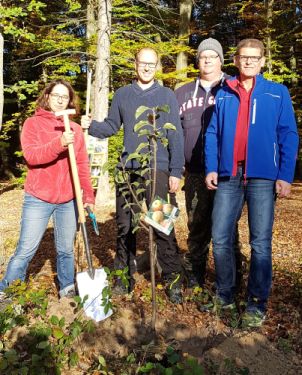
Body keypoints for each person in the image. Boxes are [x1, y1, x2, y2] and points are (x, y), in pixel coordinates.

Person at [205, 39, 298, 327]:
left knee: (260, 243)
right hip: (229, 175)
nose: (248, 62)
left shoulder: (276, 93)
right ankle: (225, 294)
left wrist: (284, 175)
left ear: (262, 62)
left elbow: (288, 134)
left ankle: (256, 304)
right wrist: (211, 167)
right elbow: (212, 133)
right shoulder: (223, 93)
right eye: (244, 57)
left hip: (262, 177)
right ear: (235, 60)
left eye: (254, 57)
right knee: (220, 238)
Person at [81, 47, 185, 303]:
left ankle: (173, 280)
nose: (147, 67)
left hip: (158, 169)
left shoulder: (167, 95)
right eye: (143, 63)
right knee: (125, 226)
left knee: (162, 225)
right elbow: (112, 126)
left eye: (152, 64)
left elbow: (176, 135)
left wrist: (175, 170)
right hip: (128, 170)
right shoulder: (123, 94)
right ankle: (123, 279)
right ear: (135, 64)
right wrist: (91, 125)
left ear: (157, 66)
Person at [0, 79, 95, 303]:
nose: (60, 100)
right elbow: (32, 156)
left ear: (70, 100)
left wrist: (87, 195)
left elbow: (81, 165)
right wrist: (59, 143)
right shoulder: (33, 124)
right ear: (47, 96)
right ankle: (7, 292)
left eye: (65, 96)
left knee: (65, 250)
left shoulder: (75, 129)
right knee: (25, 249)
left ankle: (67, 289)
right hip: (38, 198)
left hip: (68, 200)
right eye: (56, 95)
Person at [175, 38, 242, 289]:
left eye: (213, 56)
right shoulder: (181, 92)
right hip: (193, 171)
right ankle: (195, 277)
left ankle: (233, 280)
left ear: (221, 60)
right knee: (197, 226)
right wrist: (176, 164)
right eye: (203, 56)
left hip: (227, 173)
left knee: (227, 228)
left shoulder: (233, 88)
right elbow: (173, 131)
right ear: (198, 60)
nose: (207, 60)